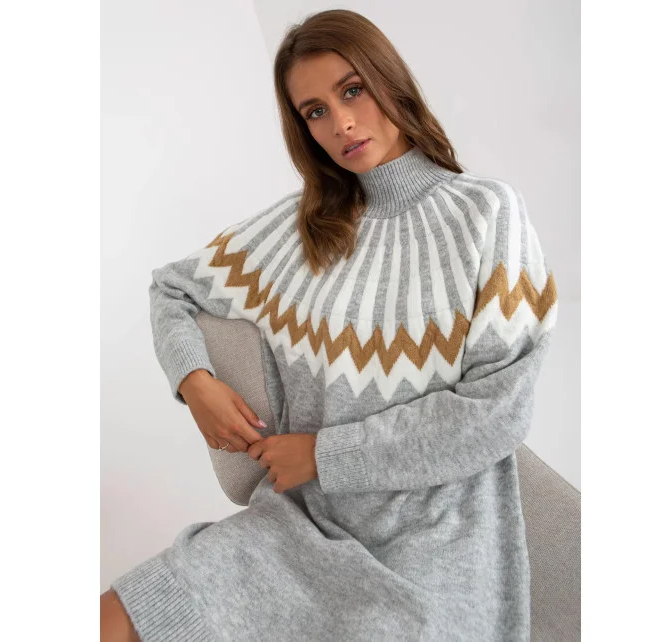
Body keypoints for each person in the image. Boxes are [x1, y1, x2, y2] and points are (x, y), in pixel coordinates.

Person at [101, 8, 558, 641]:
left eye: (352, 90)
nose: (340, 122)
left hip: (435, 544)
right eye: (315, 111)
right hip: (299, 524)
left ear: (389, 80)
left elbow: (497, 412)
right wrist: (195, 382)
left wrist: (324, 453)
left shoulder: (488, 213)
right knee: (115, 616)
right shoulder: (302, 230)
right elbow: (171, 288)